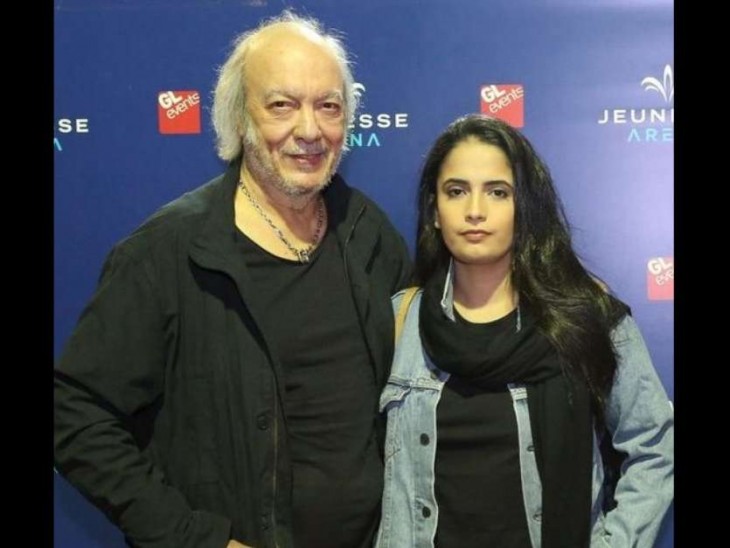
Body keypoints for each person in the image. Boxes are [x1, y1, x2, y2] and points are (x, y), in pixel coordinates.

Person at [54, 10, 411, 548]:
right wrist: (195, 539)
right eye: (282, 105)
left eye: (328, 106)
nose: (309, 130)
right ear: (240, 118)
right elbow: (74, 414)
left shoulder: (370, 235)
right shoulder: (165, 253)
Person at [375, 114, 674, 548]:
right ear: (434, 211)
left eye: (498, 192)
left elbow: (656, 446)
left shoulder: (587, 320)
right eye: (456, 191)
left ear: (525, 207)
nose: (475, 211)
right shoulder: (399, 322)